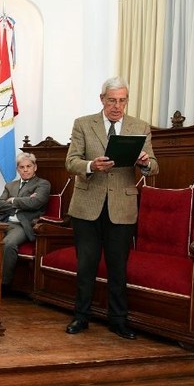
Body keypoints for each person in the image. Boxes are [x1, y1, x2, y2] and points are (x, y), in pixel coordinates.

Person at [64, 76, 158, 340]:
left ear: (126, 100)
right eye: (112, 100)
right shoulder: (83, 124)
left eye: (122, 100)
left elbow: (154, 167)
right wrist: (92, 166)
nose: (117, 106)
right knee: (87, 265)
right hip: (87, 205)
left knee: (118, 266)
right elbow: (71, 162)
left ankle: (118, 321)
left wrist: (145, 162)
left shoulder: (139, 126)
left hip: (122, 206)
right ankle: (81, 317)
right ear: (102, 99)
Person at [0, 152, 50, 296]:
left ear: (35, 167)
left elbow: (36, 203)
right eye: (22, 167)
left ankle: (3, 285)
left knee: (8, 243)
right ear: (17, 169)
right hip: (4, 222)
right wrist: (24, 202)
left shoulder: (42, 184)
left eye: (29, 166)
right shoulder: (10, 185)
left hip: (23, 225)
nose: (25, 170)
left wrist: (13, 200)